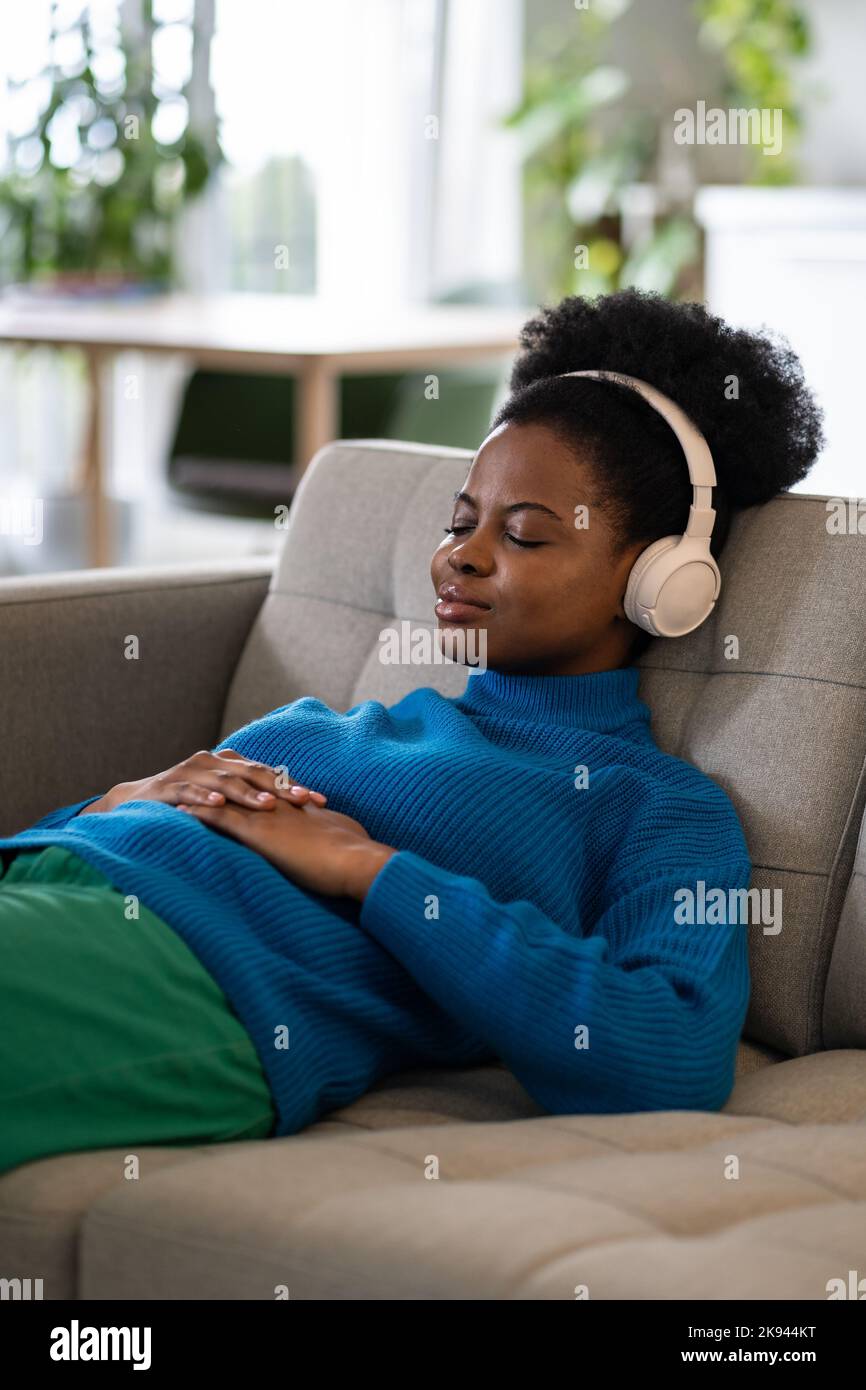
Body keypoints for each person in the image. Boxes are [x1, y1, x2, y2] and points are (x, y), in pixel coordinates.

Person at [0, 288, 824, 1174]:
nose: (462, 555)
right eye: (461, 522)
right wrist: (119, 799)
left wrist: (367, 868)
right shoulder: (361, 722)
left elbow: (673, 1049)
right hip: (51, 885)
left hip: (184, 976)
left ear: (661, 579)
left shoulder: (657, 808)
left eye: (526, 536)